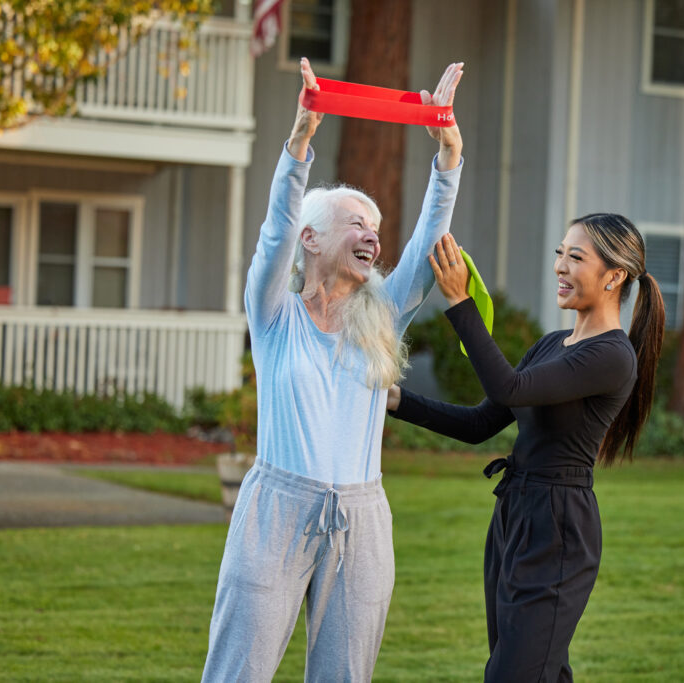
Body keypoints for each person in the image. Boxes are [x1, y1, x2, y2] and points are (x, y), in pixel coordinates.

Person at [201, 57, 464, 682]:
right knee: (238, 668)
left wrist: (448, 153)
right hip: (276, 511)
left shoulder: (383, 314)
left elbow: (431, 235)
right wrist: (299, 142)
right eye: (356, 223)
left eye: (375, 227)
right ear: (312, 240)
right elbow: (273, 236)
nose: (372, 236)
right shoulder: (274, 314)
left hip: (363, 519)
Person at [387, 218, 665, 682]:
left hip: (559, 526)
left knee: (513, 675)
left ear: (614, 276)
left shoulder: (613, 356)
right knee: (535, 671)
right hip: (514, 515)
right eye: (560, 253)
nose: (560, 266)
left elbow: (509, 387)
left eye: (576, 257)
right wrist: (394, 400)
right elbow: (480, 423)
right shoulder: (553, 345)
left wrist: (460, 301)